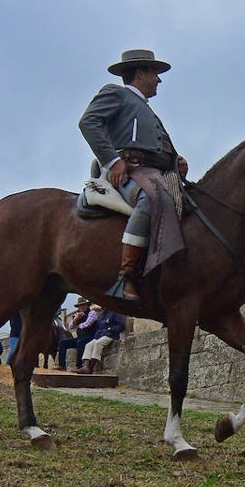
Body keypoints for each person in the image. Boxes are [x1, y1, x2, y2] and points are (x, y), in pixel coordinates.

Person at [79, 48, 183, 304]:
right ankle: (126, 276)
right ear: (140, 73)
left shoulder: (147, 109)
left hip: (159, 172)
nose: (159, 79)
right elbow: (88, 122)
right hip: (131, 171)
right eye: (155, 73)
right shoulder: (116, 93)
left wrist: (176, 161)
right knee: (151, 199)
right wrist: (113, 161)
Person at [76, 307, 126, 374]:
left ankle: (91, 367)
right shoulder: (102, 314)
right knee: (88, 345)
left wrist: (110, 329)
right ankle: (86, 366)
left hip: (111, 335)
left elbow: (122, 325)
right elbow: (100, 326)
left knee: (97, 343)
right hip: (100, 335)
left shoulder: (116, 311)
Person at [56, 297, 96, 370]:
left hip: (90, 336)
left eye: (83, 305)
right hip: (80, 337)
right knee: (62, 342)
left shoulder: (92, 313)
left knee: (80, 343)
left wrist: (77, 325)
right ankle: (62, 365)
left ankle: (79, 366)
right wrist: (76, 319)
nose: (82, 307)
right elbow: (70, 326)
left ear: (87, 305)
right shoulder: (78, 315)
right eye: (80, 306)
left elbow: (87, 324)